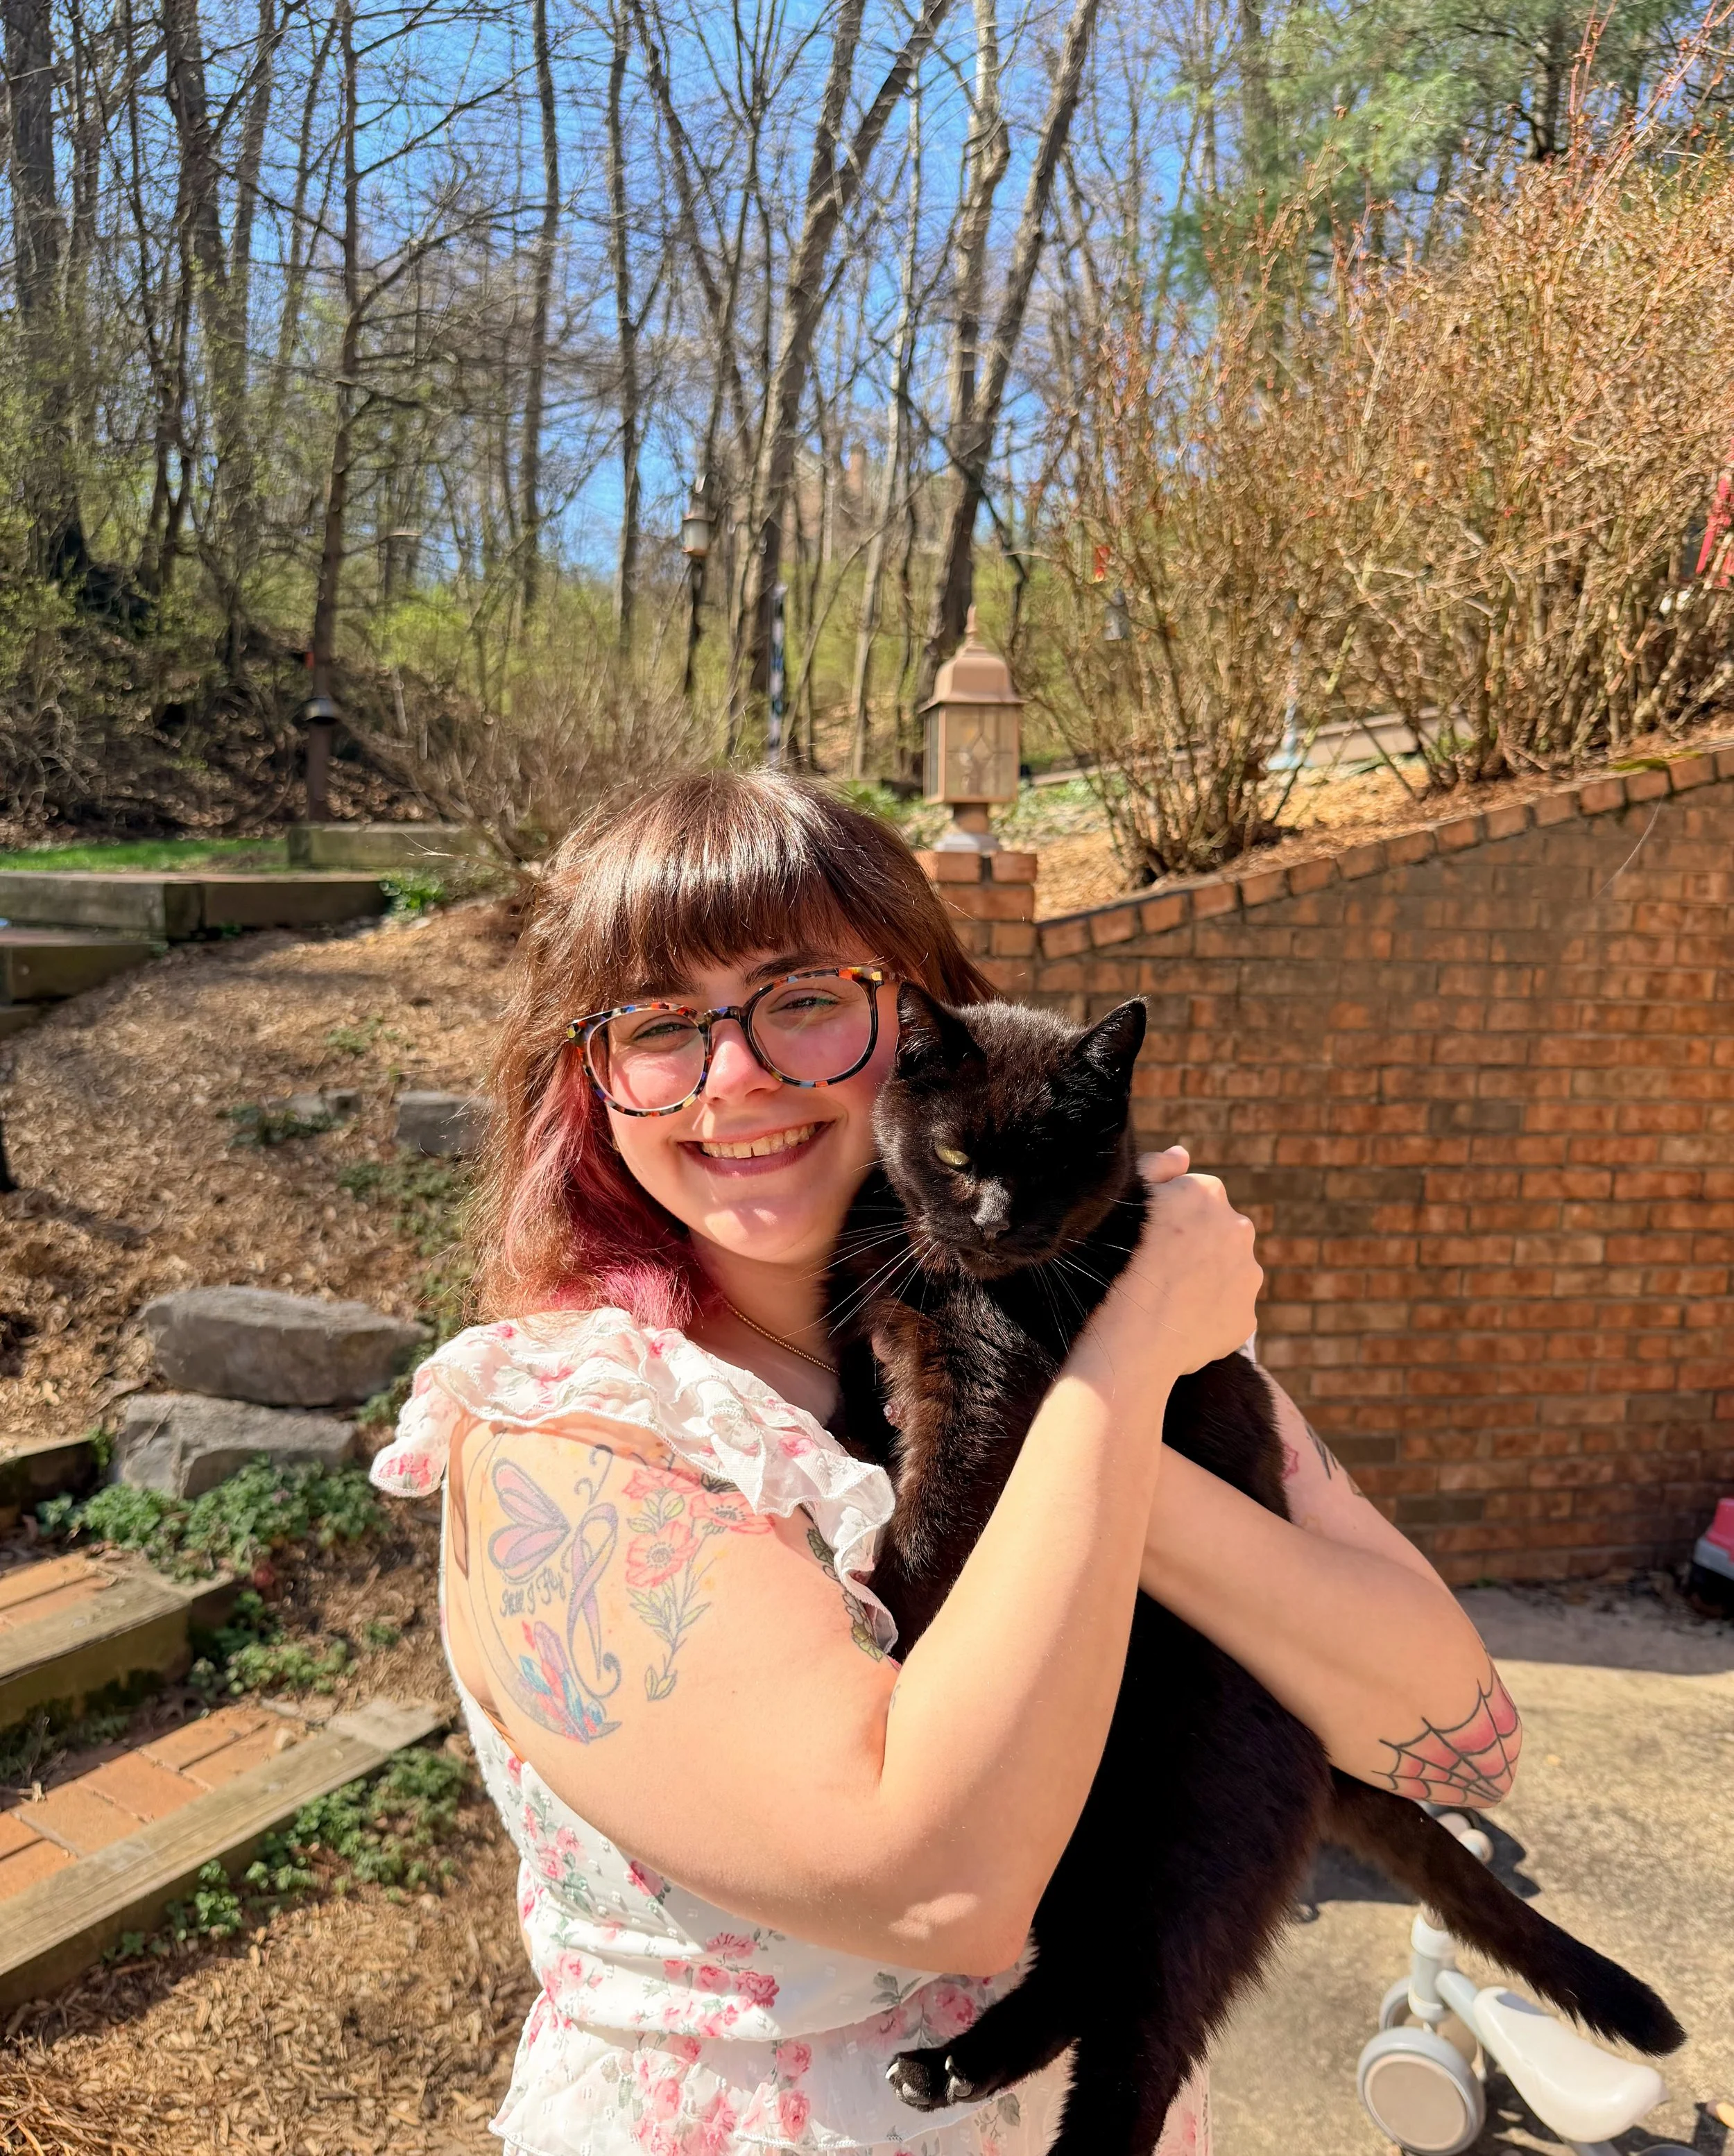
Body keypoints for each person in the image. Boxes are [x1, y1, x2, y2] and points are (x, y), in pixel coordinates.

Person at [371, 771, 1521, 2156]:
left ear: (920, 1019)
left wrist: (1092, 1397)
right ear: (593, 1084)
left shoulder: (1094, 1319)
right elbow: (936, 1886)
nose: (732, 1076)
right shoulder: (572, 1431)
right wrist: (1114, 1381)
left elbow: (1457, 1739)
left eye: (801, 998)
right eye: (658, 1027)